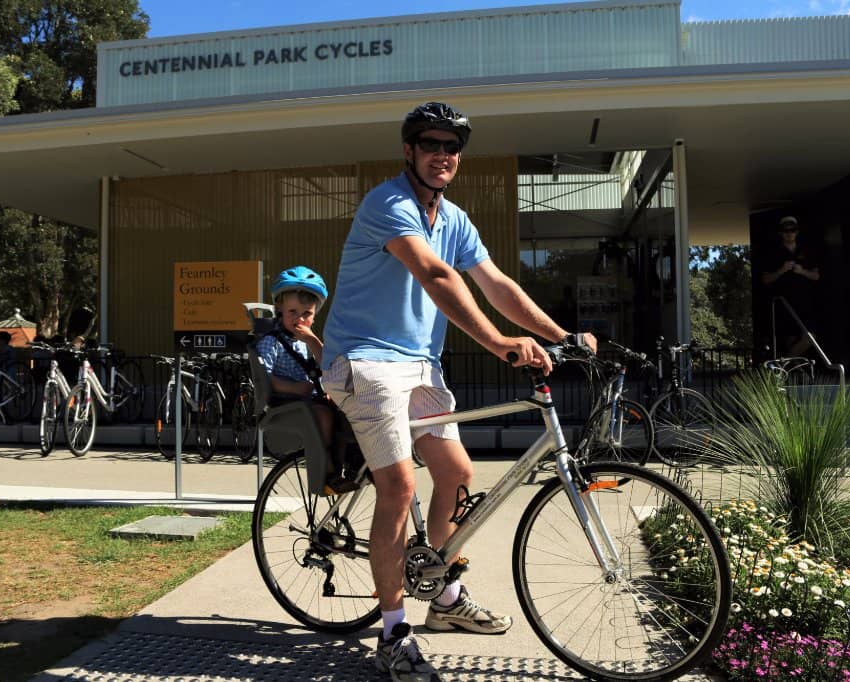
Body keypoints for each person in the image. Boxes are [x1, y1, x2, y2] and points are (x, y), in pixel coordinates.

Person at [320, 101, 597, 681]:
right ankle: (393, 631)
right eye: (430, 145)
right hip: (364, 360)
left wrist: (563, 335)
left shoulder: (455, 219)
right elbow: (436, 275)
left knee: (458, 475)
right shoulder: (388, 203)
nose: (442, 155)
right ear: (409, 151)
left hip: (421, 365)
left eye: (451, 147)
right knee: (398, 484)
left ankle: (443, 600)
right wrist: (500, 343)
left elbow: (496, 283)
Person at [256, 266, 357, 495]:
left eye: (307, 314)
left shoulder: (304, 342)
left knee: (347, 410)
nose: (299, 319)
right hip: (284, 405)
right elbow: (265, 379)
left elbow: (328, 368)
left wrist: (313, 342)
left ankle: (352, 464)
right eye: (292, 311)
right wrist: (293, 387)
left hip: (307, 401)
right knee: (322, 415)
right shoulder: (270, 342)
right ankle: (328, 473)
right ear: (279, 308)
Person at [761, 215, 820, 356]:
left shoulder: (806, 251)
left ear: (797, 232)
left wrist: (802, 271)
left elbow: (816, 275)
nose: (789, 233)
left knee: (809, 338)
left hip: (805, 303)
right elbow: (766, 279)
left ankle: (783, 365)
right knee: (790, 341)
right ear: (781, 233)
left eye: (792, 230)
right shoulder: (773, 253)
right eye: (786, 230)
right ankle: (790, 371)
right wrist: (782, 270)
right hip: (784, 304)